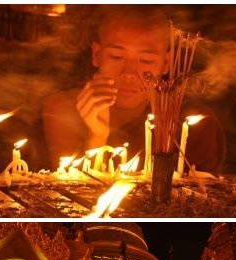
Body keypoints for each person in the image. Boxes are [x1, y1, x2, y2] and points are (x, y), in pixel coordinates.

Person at [42, 5, 226, 173]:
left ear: (166, 64)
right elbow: (67, 201)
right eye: (116, 56)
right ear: (97, 55)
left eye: (146, 60)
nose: (129, 73)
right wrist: (96, 137)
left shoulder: (192, 123)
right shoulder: (65, 110)